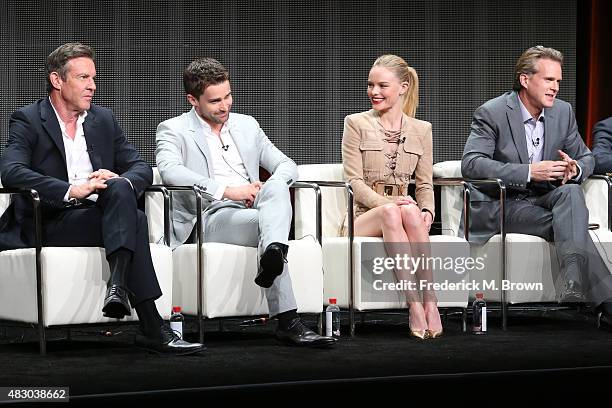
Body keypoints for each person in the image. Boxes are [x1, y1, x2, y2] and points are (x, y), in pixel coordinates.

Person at [0, 43, 205, 355]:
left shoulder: (103, 119)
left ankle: (120, 288)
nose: (93, 86)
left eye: (93, 78)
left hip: (97, 216)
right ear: (58, 81)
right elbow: (12, 172)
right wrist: (74, 188)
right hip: (50, 220)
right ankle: (148, 322)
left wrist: (115, 180)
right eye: (83, 78)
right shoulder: (28, 119)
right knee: (134, 220)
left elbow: (139, 167)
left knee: (121, 188)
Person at [155, 57, 336, 347]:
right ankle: (289, 321)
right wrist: (228, 190)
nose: (225, 106)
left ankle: (273, 254)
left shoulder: (247, 125)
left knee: (276, 191)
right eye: (215, 101)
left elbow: (286, 164)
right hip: (209, 216)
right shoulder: (173, 129)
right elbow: (171, 171)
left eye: (228, 96)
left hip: (254, 210)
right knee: (271, 226)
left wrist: (272, 183)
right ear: (193, 100)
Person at [461, 45, 612, 324]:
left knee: (569, 191)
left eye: (558, 81)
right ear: (525, 79)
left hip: (543, 201)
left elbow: (587, 157)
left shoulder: (562, 113)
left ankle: (574, 279)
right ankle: (606, 303)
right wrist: (530, 172)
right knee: (571, 225)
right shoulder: (492, 112)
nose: (555, 87)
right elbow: (471, 164)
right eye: (549, 80)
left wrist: (575, 168)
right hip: (503, 204)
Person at [342, 54, 441, 339]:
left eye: (382, 86)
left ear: (403, 87)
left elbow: (424, 185)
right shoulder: (355, 123)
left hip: (404, 212)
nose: (374, 92)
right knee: (393, 211)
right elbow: (355, 183)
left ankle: (430, 302)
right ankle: (414, 305)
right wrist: (390, 203)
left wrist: (427, 213)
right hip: (363, 216)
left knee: (409, 211)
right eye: (370, 85)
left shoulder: (422, 130)